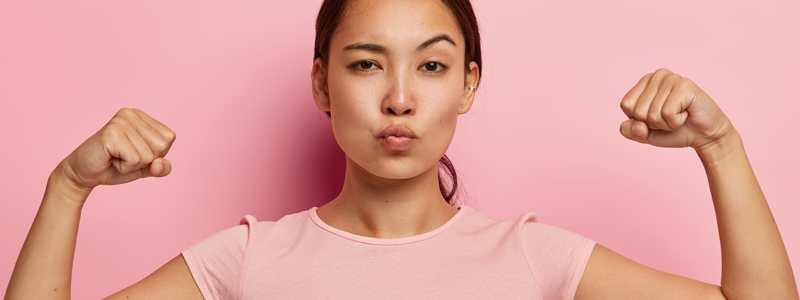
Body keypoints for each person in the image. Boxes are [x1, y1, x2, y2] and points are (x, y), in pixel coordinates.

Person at [6, 0, 798, 299]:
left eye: (430, 64)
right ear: (321, 84)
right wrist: (64, 190)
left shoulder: (533, 258)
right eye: (364, 64)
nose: (398, 97)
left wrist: (721, 149)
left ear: (469, 84)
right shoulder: (247, 261)